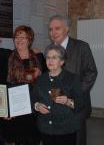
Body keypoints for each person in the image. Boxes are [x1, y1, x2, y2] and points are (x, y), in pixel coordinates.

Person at [48, 15, 97, 145]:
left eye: (57, 28)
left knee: (76, 139)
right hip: (57, 104)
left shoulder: (82, 47)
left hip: (76, 105)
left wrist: (77, 92)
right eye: (50, 29)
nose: (53, 32)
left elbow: (92, 72)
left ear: (67, 28)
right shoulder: (49, 49)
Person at [33, 44, 84, 145]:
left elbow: (81, 103)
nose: (50, 61)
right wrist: (37, 106)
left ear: (62, 61)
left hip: (66, 129)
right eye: (48, 57)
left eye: (54, 57)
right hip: (45, 128)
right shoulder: (40, 79)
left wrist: (67, 101)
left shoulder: (72, 78)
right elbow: (33, 98)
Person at [2, 25, 44, 145]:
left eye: (23, 37)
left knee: (33, 138)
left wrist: (40, 73)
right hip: (16, 104)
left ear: (29, 40)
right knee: (18, 138)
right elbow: (5, 83)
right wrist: (7, 109)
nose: (19, 40)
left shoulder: (38, 57)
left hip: (34, 104)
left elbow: (47, 80)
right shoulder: (8, 57)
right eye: (16, 37)